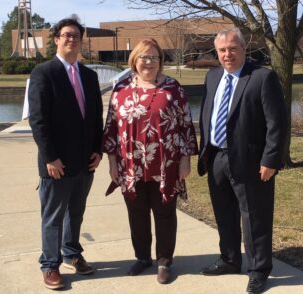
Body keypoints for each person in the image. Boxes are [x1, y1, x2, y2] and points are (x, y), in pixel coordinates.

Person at [198, 28, 287, 294]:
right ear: (217, 52)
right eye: (222, 50)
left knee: (255, 218)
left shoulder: (262, 77)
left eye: (233, 49)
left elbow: (277, 123)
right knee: (224, 214)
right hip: (216, 156)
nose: (228, 54)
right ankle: (229, 259)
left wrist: (271, 159)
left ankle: (259, 269)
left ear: (244, 49)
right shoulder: (212, 76)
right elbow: (207, 114)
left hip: (251, 161)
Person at [102, 38, 198, 284]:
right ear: (134, 60)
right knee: (137, 212)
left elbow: (186, 125)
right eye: (144, 57)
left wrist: (185, 160)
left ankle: (164, 261)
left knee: (165, 213)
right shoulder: (121, 89)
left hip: (166, 164)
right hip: (129, 165)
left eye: (154, 57)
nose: (149, 62)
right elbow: (111, 127)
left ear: (160, 61)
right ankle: (142, 257)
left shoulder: (173, 88)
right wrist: (113, 163)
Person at [28, 17, 103, 290]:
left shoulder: (89, 75)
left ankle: (72, 253)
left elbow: (96, 117)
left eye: (77, 36)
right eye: (67, 35)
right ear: (57, 39)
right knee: (53, 217)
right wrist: (50, 157)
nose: (72, 39)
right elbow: (38, 120)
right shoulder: (43, 73)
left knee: (76, 213)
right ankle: (50, 264)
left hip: (85, 161)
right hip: (55, 163)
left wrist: (98, 150)